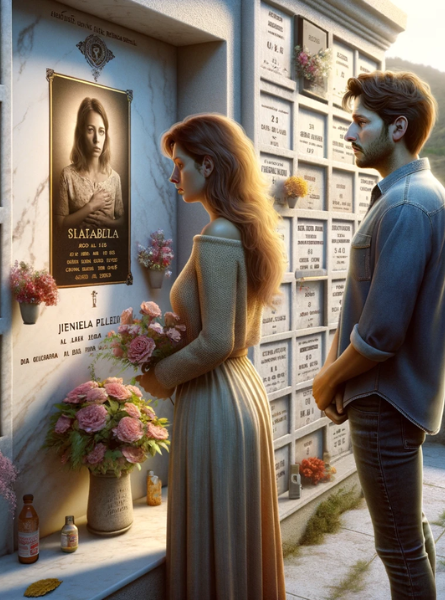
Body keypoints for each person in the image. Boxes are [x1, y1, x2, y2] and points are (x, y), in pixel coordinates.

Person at [312, 71, 445, 600]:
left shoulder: (406, 204)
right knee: (409, 536)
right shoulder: (414, 194)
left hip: (382, 401)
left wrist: (326, 382)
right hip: (392, 400)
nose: (348, 135)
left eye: (358, 122)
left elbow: (380, 333)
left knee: (398, 549)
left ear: (397, 128)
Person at [138, 113, 286, 600]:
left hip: (215, 400)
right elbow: (246, 333)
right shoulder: (243, 229)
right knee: (236, 532)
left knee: (215, 531)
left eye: (180, 165)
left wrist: (161, 375)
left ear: (208, 164)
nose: (174, 176)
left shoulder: (220, 235)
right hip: (241, 391)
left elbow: (219, 339)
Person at [53, 97, 124, 230]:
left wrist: (108, 222)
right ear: (81, 134)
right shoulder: (68, 175)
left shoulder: (114, 178)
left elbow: (124, 222)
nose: (97, 139)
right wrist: (91, 206)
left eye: (101, 131)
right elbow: (59, 224)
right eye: (90, 130)